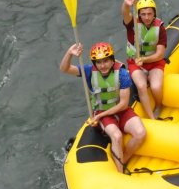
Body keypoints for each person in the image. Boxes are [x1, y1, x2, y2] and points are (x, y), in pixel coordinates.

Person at [60, 41, 146, 174]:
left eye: (106, 61)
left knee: (141, 133)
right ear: (95, 63)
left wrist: (99, 117)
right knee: (116, 136)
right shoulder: (89, 71)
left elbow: (123, 104)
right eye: (99, 62)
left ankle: (124, 158)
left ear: (112, 60)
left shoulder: (122, 74)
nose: (102, 65)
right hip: (102, 110)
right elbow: (64, 69)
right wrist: (69, 53)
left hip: (121, 110)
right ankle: (120, 172)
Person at [122, 0, 167, 119]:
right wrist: (126, 4)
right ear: (139, 15)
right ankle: (151, 117)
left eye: (149, 14)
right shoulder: (132, 24)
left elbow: (160, 54)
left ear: (154, 14)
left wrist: (145, 59)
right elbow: (125, 13)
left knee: (156, 87)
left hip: (154, 62)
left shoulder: (160, 28)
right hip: (134, 62)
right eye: (143, 14)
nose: (146, 17)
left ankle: (159, 105)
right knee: (141, 86)